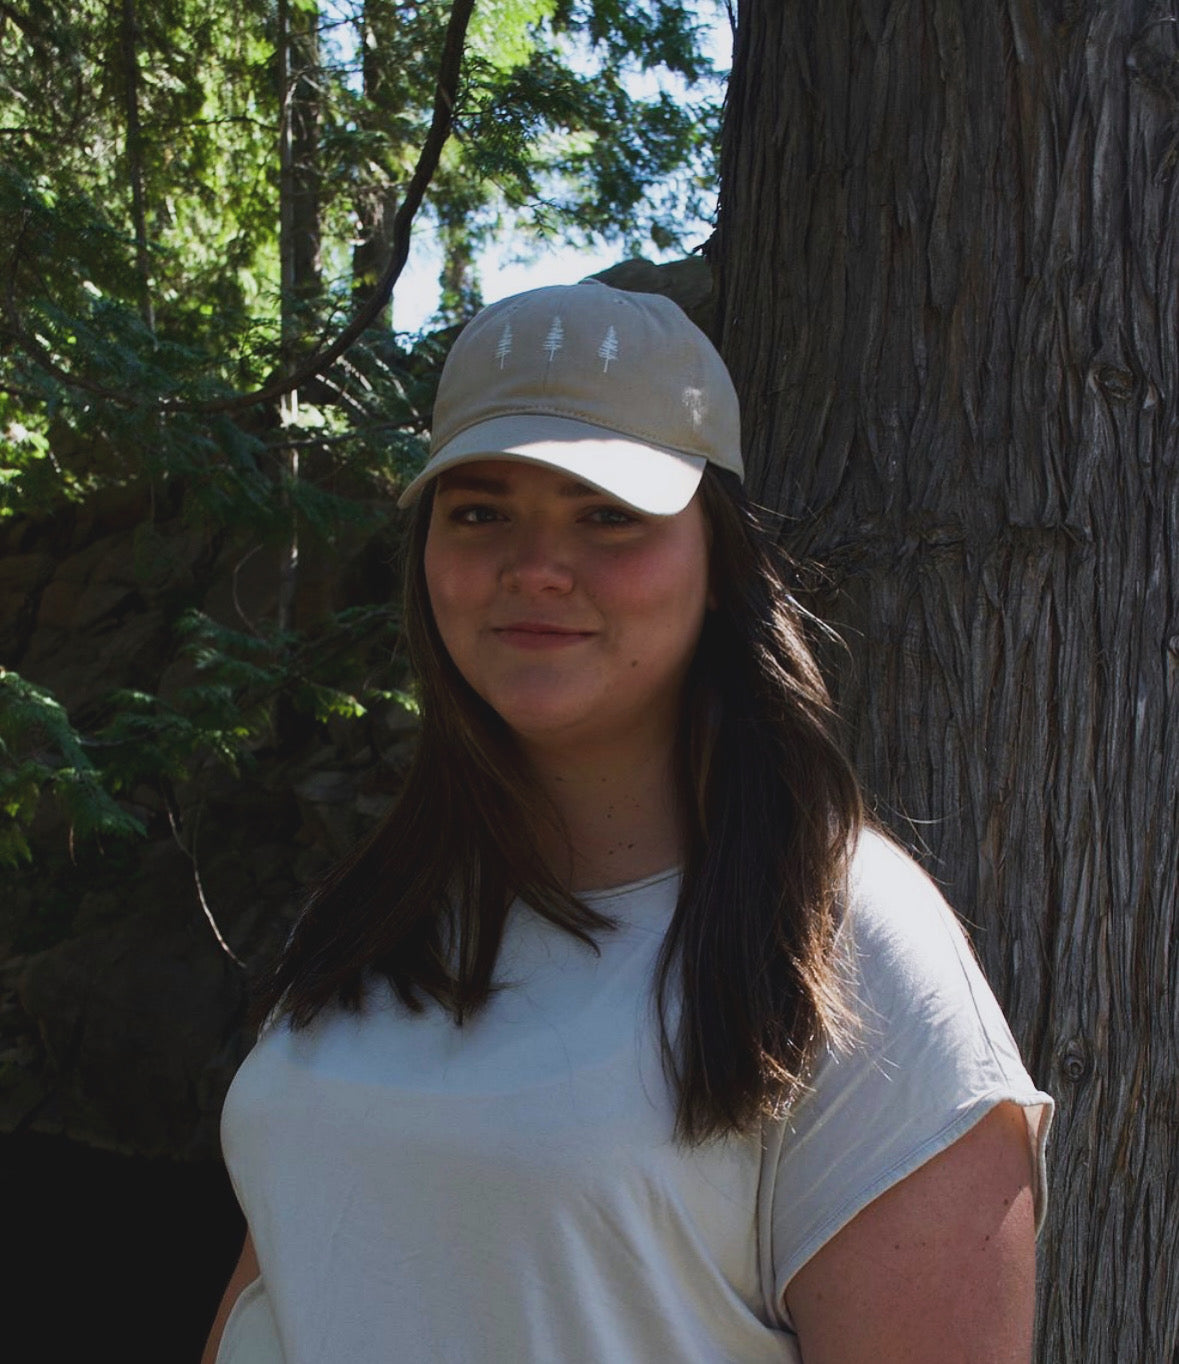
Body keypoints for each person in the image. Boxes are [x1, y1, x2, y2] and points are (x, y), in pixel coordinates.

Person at [204, 280, 1053, 1364]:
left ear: (719, 561)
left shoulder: (848, 954)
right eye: (480, 509)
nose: (535, 564)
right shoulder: (376, 915)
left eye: (608, 513)